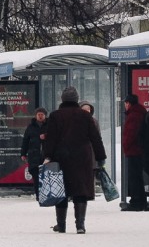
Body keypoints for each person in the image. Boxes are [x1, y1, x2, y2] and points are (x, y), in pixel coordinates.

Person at [43, 86, 107, 233]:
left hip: (61, 157)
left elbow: (50, 139)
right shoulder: (85, 116)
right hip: (82, 157)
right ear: (76, 99)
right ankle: (80, 225)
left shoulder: (55, 116)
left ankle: (61, 224)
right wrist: (100, 156)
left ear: (62, 99)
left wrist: (47, 156)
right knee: (80, 191)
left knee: (60, 190)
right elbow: (95, 138)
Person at [121, 93, 147, 211]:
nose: (125, 106)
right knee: (137, 176)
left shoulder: (134, 115)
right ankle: (140, 200)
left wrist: (125, 146)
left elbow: (130, 133)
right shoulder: (139, 113)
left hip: (134, 149)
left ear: (129, 103)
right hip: (139, 149)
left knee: (134, 176)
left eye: (126, 103)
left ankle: (137, 201)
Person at [20, 108, 48, 192]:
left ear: (45, 116)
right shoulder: (30, 127)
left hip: (46, 155)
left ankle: (46, 193)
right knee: (35, 175)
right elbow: (25, 140)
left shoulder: (50, 125)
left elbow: (56, 135)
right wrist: (23, 153)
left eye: (42, 115)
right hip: (34, 155)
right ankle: (38, 194)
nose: (40, 116)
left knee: (46, 175)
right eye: (38, 114)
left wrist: (46, 136)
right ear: (35, 116)